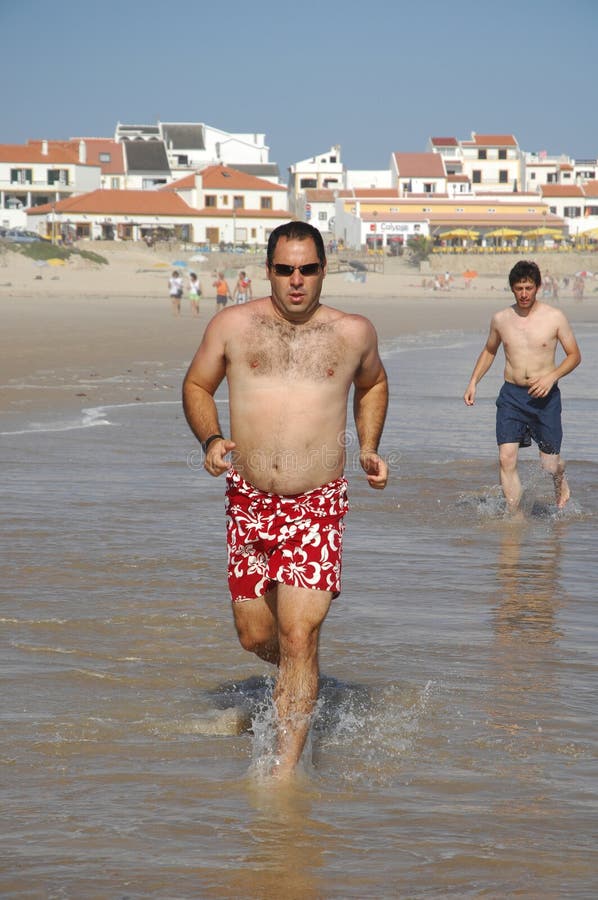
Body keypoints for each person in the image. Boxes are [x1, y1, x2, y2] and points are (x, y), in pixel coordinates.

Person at [182, 221, 389, 777]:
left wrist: (368, 446)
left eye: (308, 269)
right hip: (248, 503)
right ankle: (304, 674)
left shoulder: (353, 333)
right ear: (268, 269)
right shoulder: (233, 325)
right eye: (284, 269)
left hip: (317, 504)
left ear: (324, 269)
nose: (296, 281)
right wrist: (211, 438)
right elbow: (196, 385)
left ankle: (282, 776)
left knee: (298, 635)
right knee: (257, 636)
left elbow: (373, 384)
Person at [463, 259, 581, 514]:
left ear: (537, 287)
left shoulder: (554, 317)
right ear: (512, 289)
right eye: (519, 288)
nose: (524, 294)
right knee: (506, 457)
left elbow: (574, 355)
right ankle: (514, 515)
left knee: (549, 464)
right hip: (511, 396)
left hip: (545, 397)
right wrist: (474, 381)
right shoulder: (501, 319)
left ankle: (560, 477)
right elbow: (489, 350)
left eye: (528, 287)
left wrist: (552, 377)